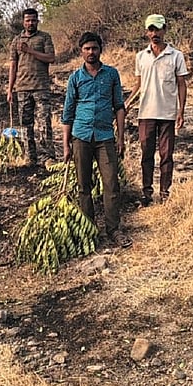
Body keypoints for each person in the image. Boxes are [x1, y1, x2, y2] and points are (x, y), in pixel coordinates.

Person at [61, 32, 131, 249]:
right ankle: (89, 230)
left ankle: (114, 230)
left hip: (105, 137)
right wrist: (66, 145)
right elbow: (68, 112)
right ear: (81, 51)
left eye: (94, 48)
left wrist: (120, 138)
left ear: (101, 50)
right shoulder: (75, 78)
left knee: (111, 184)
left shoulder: (111, 75)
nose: (91, 52)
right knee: (84, 186)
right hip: (80, 137)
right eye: (87, 49)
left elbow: (119, 107)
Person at [134, 14, 189, 205]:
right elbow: (138, 85)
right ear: (147, 32)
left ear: (165, 29)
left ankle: (165, 192)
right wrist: (125, 105)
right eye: (151, 30)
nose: (154, 34)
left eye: (157, 29)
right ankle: (147, 193)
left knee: (167, 155)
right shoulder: (141, 57)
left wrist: (181, 110)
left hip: (167, 113)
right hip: (146, 113)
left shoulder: (176, 56)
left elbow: (181, 84)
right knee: (146, 154)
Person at [6, 7, 56, 165]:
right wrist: (10, 89)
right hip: (22, 88)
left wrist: (30, 51)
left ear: (37, 21)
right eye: (28, 20)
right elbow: (13, 65)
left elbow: (50, 58)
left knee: (44, 123)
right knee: (25, 125)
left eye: (33, 20)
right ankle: (30, 157)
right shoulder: (16, 41)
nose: (31, 23)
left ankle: (48, 157)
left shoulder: (44, 37)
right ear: (23, 22)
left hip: (41, 87)